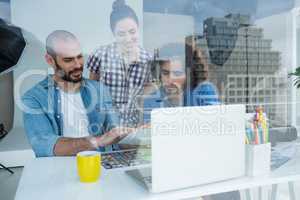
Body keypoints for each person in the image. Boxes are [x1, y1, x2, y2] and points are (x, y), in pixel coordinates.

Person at [142, 44, 241, 200]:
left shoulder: (204, 90)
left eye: (177, 73)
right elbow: (150, 146)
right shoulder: (151, 100)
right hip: (170, 167)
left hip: (206, 162)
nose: (170, 80)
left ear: (190, 73)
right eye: (165, 73)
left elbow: (217, 133)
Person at [22, 30, 133, 157]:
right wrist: (98, 141)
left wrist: (139, 134)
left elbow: (115, 136)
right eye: (68, 60)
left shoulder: (100, 89)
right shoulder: (33, 98)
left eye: (79, 56)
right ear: (50, 60)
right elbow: (43, 145)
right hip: (58, 168)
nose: (78, 65)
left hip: (98, 164)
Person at [87, 0, 152, 128]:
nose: (128, 39)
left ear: (138, 28)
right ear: (113, 34)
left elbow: (144, 101)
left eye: (132, 32)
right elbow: (91, 92)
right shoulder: (100, 55)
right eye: (121, 34)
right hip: (105, 128)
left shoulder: (149, 60)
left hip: (133, 129)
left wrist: (140, 130)